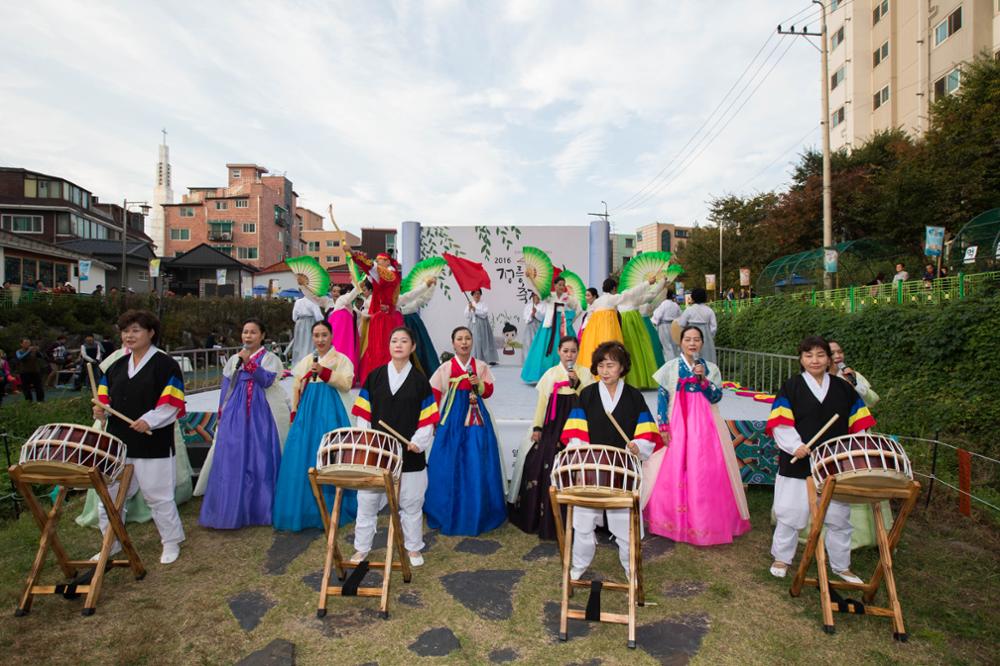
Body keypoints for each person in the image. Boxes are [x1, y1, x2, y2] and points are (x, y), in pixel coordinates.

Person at [766, 336, 875, 583]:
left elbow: (859, 425)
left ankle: (841, 566)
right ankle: (782, 557)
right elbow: (780, 422)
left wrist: (855, 450)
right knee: (790, 512)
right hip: (800, 459)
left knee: (838, 516)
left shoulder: (844, 389)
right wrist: (795, 446)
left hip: (834, 462)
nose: (814, 360)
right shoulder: (791, 386)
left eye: (820, 355)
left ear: (829, 359)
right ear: (801, 360)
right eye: (808, 355)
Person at [93, 310, 186, 564]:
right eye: (125, 331)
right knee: (109, 498)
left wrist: (149, 420)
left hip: (151, 441)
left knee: (158, 496)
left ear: (151, 333)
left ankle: (170, 541)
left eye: (135, 330)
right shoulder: (115, 366)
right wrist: (100, 411)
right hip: (118, 443)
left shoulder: (166, 364)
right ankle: (110, 543)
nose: (129, 336)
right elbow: (104, 399)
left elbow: (172, 404)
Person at [560, 341, 658, 580]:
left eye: (611, 365)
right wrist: (581, 455)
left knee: (625, 525)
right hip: (592, 467)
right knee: (582, 522)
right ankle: (578, 566)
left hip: (623, 470)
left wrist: (639, 445)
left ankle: (630, 568)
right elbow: (576, 434)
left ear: (622, 368)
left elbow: (646, 433)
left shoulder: (634, 397)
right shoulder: (587, 394)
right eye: (601, 365)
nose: (605, 370)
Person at [644, 326, 750, 545]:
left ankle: (705, 521)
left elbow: (715, 396)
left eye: (696, 340)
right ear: (680, 343)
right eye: (688, 339)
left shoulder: (710, 368)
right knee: (672, 466)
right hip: (677, 421)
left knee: (704, 468)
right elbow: (663, 398)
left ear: (702, 343)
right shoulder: (671, 368)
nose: (692, 343)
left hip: (705, 425)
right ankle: (671, 520)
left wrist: (703, 380)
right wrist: (663, 426)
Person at [350, 326, 440, 566]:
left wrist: (418, 443)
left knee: (411, 503)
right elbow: (363, 414)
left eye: (403, 341)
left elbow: (428, 420)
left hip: (409, 454)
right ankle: (361, 548)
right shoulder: (375, 376)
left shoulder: (421, 382)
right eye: (394, 341)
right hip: (378, 453)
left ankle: (413, 548)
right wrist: (367, 441)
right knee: (367, 502)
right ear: (389, 346)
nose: (398, 345)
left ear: (413, 347)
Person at [199, 319, 285, 529]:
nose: (248, 336)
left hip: (261, 411)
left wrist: (249, 363)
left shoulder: (270, 358)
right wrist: (222, 412)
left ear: (262, 335)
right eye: (245, 332)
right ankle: (230, 508)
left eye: (253, 332)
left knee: (260, 455)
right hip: (235, 410)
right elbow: (226, 387)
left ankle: (260, 509)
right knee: (233, 454)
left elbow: (266, 380)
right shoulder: (233, 359)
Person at [273, 320, 356, 531]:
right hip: (307, 413)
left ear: (332, 336)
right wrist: (295, 412)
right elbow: (296, 387)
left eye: (324, 335)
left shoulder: (342, 360)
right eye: (316, 335)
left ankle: (334, 507)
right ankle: (305, 508)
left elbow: (346, 384)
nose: (320, 339)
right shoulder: (305, 361)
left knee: (330, 455)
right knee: (304, 455)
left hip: (332, 412)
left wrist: (325, 372)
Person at [508, 335, 593, 539]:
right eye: (565, 351)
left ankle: (577, 519)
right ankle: (541, 517)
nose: (569, 355)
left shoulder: (585, 373)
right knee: (543, 462)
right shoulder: (550, 374)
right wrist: (537, 427)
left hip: (576, 423)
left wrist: (577, 384)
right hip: (552, 424)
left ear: (578, 352)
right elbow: (542, 403)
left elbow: (589, 398)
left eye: (573, 351)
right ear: (559, 352)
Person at [426, 327, 506, 536]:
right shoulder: (444, 368)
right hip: (451, 420)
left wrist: (478, 384)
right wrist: (435, 421)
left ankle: (480, 509)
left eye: (467, 338)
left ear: (472, 341)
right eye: (459, 339)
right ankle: (445, 510)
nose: (464, 342)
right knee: (447, 461)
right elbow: (434, 394)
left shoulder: (480, 366)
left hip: (476, 419)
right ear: (453, 343)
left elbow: (488, 392)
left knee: (478, 459)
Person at [576, 276, 655, 373]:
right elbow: (630, 294)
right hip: (608, 330)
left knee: (595, 352)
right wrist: (647, 283)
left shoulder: (597, 302)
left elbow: (589, 317)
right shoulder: (611, 299)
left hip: (593, 332)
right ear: (613, 288)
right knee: (610, 352)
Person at [353, 252, 403, 386]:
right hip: (381, 317)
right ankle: (379, 379)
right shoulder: (388, 276)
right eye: (378, 260)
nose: (379, 262)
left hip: (383, 319)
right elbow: (370, 269)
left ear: (388, 262)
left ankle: (383, 380)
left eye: (382, 260)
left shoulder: (390, 275)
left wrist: (354, 254)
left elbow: (371, 267)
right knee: (376, 348)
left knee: (382, 349)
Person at [521, 275, 579, 383]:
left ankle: (565, 374)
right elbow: (537, 290)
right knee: (546, 349)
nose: (562, 287)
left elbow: (578, 307)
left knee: (564, 347)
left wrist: (572, 318)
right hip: (550, 326)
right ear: (555, 285)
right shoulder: (549, 296)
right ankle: (544, 376)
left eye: (563, 285)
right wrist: (530, 279)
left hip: (562, 325)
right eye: (559, 285)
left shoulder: (567, 298)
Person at [619, 276, 665, 390]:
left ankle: (629, 381)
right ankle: (639, 381)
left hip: (624, 328)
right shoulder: (633, 298)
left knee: (628, 353)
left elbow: (651, 294)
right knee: (639, 353)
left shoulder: (619, 298)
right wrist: (659, 282)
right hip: (635, 327)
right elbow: (652, 294)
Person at [399, 277, 439, 376]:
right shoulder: (395, 299)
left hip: (413, 324)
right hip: (399, 324)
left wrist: (431, 286)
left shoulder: (410, 299)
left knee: (420, 349)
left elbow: (423, 299)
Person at [828, 340, 879, 407]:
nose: (838, 356)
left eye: (840, 352)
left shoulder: (852, 375)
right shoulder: (817, 379)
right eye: (832, 353)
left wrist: (856, 383)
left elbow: (874, 400)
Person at [676, 287, 718, 364]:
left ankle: (691, 375)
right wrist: (709, 337)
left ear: (693, 297)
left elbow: (681, 323)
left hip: (691, 335)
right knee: (707, 360)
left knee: (691, 357)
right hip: (706, 339)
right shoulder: (709, 310)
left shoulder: (689, 310)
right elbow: (714, 328)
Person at [289, 290, 324, 366]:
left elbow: (294, 317)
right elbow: (318, 316)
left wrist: (299, 321)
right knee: (309, 344)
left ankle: (298, 364)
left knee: (299, 344)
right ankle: (308, 364)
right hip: (310, 323)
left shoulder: (298, 302)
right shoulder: (313, 302)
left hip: (299, 323)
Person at [466, 289, 499, 366]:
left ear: (480, 295)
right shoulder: (470, 304)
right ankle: (474, 359)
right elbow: (467, 315)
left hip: (483, 325)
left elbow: (484, 313)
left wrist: (475, 309)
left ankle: (487, 360)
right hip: (473, 325)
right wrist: (469, 309)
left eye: (478, 294)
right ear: (472, 295)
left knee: (484, 342)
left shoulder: (483, 304)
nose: (477, 295)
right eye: (475, 294)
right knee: (474, 341)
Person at [651, 290, 681, 363]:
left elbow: (657, 316)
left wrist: (653, 322)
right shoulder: (675, 305)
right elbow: (680, 316)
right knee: (675, 346)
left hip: (664, 326)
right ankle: (677, 362)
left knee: (667, 346)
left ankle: (670, 363)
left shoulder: (663, 304)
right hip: (674, 325)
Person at [520, 292, 544, 362]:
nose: (537, 297)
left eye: (538, 295)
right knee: (528, 344)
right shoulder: (528, 306)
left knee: (539, 345)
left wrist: (537, 313)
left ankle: (538, 362)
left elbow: (543, 318)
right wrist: (531, 314)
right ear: (532, 296)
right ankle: (527, 362)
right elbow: (526, 319)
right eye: (535, 295)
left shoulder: (544, 306)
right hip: (530, 328)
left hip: (540, 328)